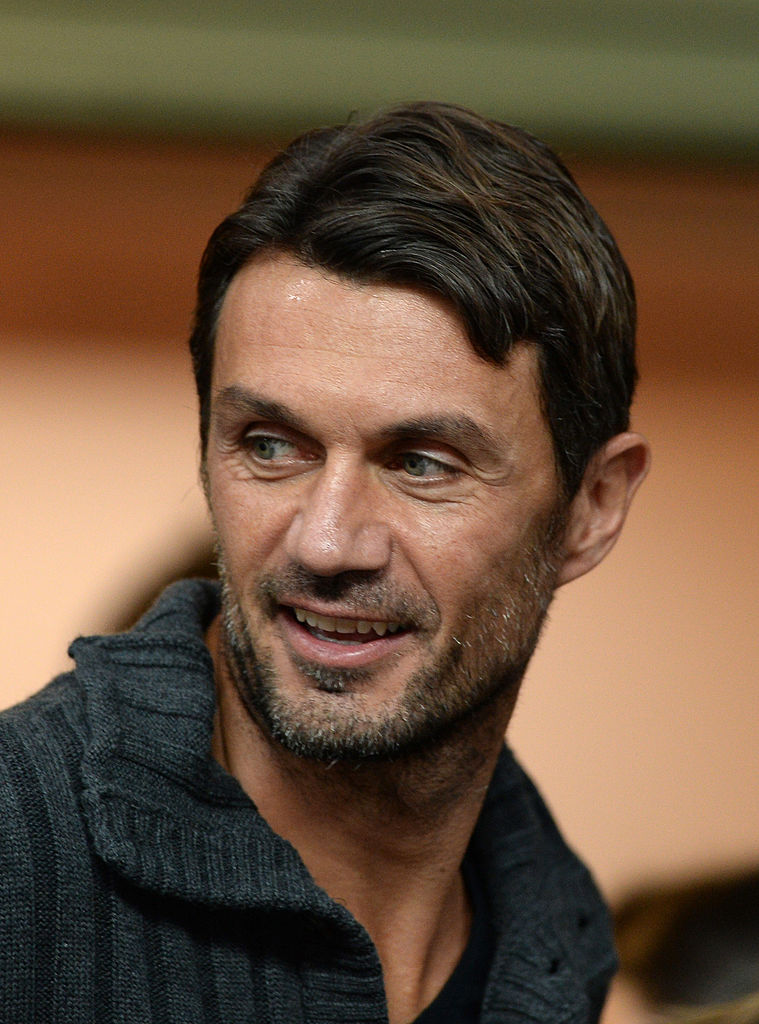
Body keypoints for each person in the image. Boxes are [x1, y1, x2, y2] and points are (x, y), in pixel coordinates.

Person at [0, 101, 650, 1023]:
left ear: (592, 508)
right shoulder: (19, 851)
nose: (325, 542)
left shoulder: (557, 940)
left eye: (422, 463)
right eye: (271, 446)